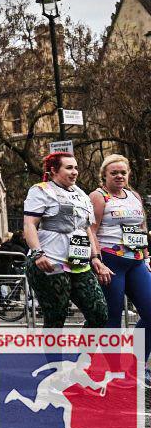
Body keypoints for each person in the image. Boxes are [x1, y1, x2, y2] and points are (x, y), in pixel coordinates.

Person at [23, 152, 109, 329]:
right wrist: (38, 253)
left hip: (79, 264)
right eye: (69, 168)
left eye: (76, 167)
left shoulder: (81, 194)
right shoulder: (41, 190)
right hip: (50, 263)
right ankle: (55, 358)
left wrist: (95, 258)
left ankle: (84, 356)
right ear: (54, 170)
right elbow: (29, 224)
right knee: (56, 318)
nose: (75, 172)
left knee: (99, 314)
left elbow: (86, 228)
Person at [90, 153, 151, 381]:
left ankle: (134, 366)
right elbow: (91, 231)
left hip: (135, 262)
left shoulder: (134, 196)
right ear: (104, 175)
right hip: (111, 262)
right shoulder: (98, 196)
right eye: (113, 172)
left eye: (123, 172)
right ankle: (114, 370)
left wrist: (146, 256)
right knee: (113, 317)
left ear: (128, 174)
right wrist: (96, 259)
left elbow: (142, 227)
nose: (119, 176)